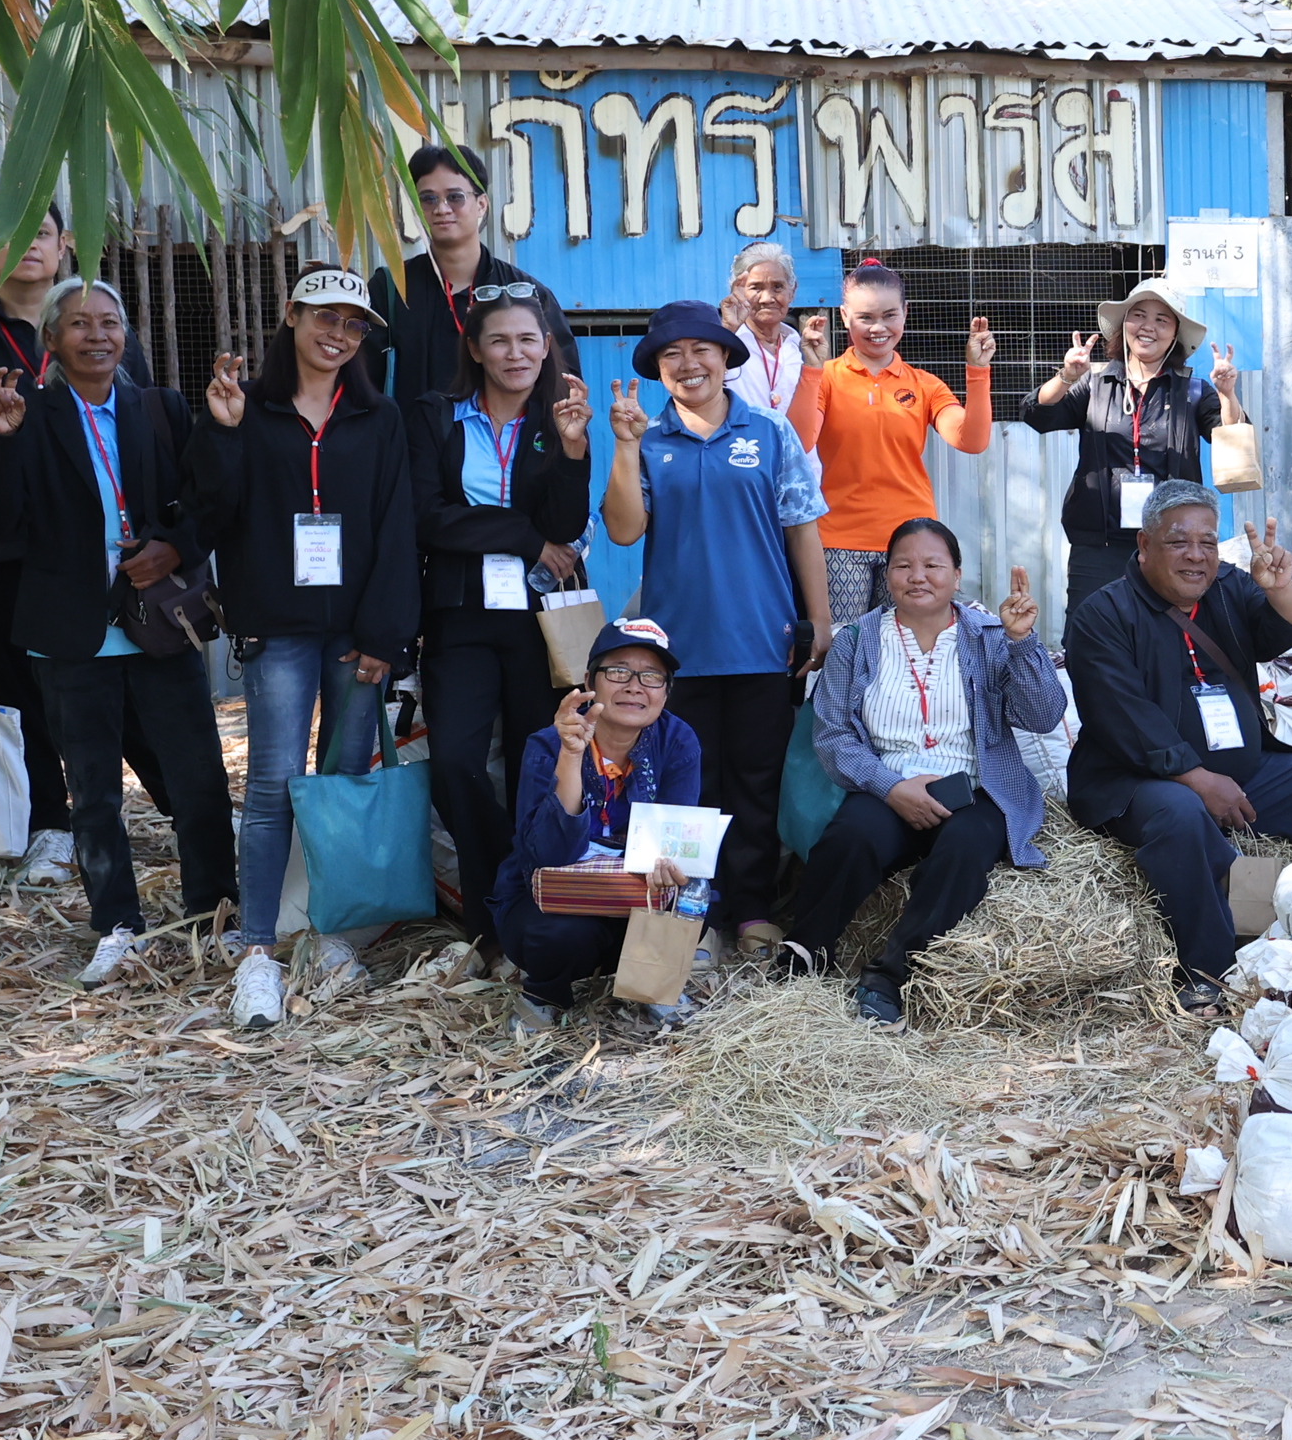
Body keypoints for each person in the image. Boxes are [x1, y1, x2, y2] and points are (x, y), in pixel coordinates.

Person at [0, 280, 237, 984]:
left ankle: (215, 915)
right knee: (93, 793)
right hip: (70, 630)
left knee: (199, 781)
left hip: (159, 622)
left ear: (127, 336)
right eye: (80, 324)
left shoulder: (161, 407)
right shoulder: (28, 413)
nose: (97, 335)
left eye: (110, 323)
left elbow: (206, 502)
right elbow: (2, 522)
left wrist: (175, 549)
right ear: (51, 341)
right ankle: (117, 925)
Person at [0, 191, 162, 884]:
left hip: (91, 553)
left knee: (121, 684)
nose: (32, 247)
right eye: (12, 234)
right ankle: (51, 825)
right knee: (20, 694)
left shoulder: (99, 330)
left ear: (65, 244)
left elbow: (137, 438)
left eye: (42, 232)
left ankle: (180, 806)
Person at [195, 265, 423, 1030]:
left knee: (343, 778)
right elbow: (212, 517)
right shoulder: (249, 409)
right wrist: (221, 435)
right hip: (279, 624)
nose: (339, 335)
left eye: (354, 326)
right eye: (325, 318)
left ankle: (328, 935)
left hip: (357, 631)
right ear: (291, 316)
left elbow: (397, 529)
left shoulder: (377, 415)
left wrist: (387, 632)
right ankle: (258, 952)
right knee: (272, 783)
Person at [1061, 486, 1292, 1010]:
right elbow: (1125, 719)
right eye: (1178, 542)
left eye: (1208, 542)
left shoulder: (1228, 586)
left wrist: (1280, 589)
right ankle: (1210, 971)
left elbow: (1282, 631)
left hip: (1243, 770)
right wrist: (1198, 779)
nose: (1196, 555)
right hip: (1138, 781)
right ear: (1144, 544)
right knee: (1182, 815)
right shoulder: (1103, 614)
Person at [605, 299, 834, 952]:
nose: (688, 363)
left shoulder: (768, 433)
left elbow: (803, 530)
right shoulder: (649, 443)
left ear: (725, 356)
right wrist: (624, 448)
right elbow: (624, 530)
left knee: (756, 785)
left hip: (760, 645)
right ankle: (686, 921)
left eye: (701, 349)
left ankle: (753, 909)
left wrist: (817, 621)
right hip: (673, 656)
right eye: (672, 354)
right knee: (679, 793)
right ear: (658, 369)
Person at [782, 520, 1068, 1021]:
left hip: (974, 789)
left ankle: (889, 976)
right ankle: (806, 950)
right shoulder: (857, 640)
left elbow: (1043, 714)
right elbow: (833, 736)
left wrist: (1023, 643)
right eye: (903, 566)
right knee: (849, 838)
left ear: (957, 576)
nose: (918, 576)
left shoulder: (990, 636)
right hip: (886, 786)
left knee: (964, 850)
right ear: (887, 575)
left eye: (933, 565)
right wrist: (890, 788)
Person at [415, 284, 596, 938]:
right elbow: (428, 516)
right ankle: (492, 900)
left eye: (527, 339)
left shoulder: (559, 423)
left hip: (540, 621)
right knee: (458, 764)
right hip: (460, 616)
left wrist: (573, 453)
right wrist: (522, 537)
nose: (514, 352)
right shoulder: (437, 416)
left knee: (537, 762)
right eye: (499, 339)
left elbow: (567, 522)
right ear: (476, 348)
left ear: (546, 346)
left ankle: (534, 907)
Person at [490, 617, 708, 1034]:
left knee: (695, 902)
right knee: (554, 935)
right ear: (589, 681)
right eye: (619, 671)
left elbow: (674, 840)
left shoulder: (678, 741)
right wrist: (571, 757)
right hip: (557, 900)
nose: (634, 686)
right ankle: (545, 991)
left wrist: (671, 868)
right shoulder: (548, 743)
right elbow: (548, 856)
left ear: (666, 691)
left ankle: (650, 986)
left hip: (634, 895)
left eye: (651, 677)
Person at [1026, 278, 1244, 615]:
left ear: (1175, 335)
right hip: (1099, 543)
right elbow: (1038, 415)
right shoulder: (1095, 384)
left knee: (1167, 638)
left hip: (1171, 543)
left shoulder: (1194, 391)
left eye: (1162, 320)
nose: (1148, 327)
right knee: (1092, 633)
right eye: (1139, 315)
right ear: (1123, 325)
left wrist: (1227, 394)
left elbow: (1233, 440)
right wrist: (1067, 375)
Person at [800, 257, 994, 631]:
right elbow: (802, 439)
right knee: (844, 651)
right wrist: (810, 370)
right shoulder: (825, 378)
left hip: (911, 545)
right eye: (865, 317)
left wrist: (978, 372)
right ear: (844, 316)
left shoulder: (925, 384)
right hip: (839, 540)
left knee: (908, 650)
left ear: (906, 313)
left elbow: (972, 440)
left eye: (889, 315)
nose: (878, 328)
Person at [366, 144, 519, 409]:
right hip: (409, 447)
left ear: (481, 204)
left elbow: (555, 383)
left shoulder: (520, 292)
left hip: (498, 448)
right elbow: (361, 383)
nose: (441, 209)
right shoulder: (388, 289)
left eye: (455, 197)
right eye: (428, 199)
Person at [722, 241, 828, 443]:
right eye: (756, 288)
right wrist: (727, 333)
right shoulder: (727, 345)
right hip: (745, 461)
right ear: (737, 291)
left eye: (777, 287)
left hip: (801, 468)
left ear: (792, 291)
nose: (767, 298)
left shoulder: (800, 348)